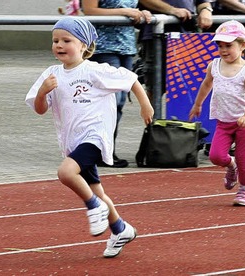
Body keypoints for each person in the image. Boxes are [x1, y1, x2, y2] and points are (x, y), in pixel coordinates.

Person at [25, 17, 154, 258]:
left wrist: (144, 105)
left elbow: (131, 79)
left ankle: (93, 207)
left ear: (84, 45)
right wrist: (43, 91)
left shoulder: (95, 70)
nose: (59, 45)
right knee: (98, 191)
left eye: (66, 40)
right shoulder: (51, 74)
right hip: (72, 142)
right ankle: (120, 229)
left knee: (65, 173)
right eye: (55, 41)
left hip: (95, 137)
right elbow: (40, 108)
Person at [189, 20, 245, 206]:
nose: (223, 50)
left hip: (244, 122)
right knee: (216, 156)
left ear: (243, 45)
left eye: (228, 45)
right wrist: (198, 104)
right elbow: (206, 85)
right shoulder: (214, 65)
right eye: (220, 46)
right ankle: (231, 166)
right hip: (223, 122)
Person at [81, 0, 153, 168]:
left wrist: (143, 13)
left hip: (126, 47)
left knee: (119, 102)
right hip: (103, 47)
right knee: (111, 101)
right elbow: (90, 10)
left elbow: (135, 7)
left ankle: (106, 150)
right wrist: (125, 12)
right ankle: (100, 151)